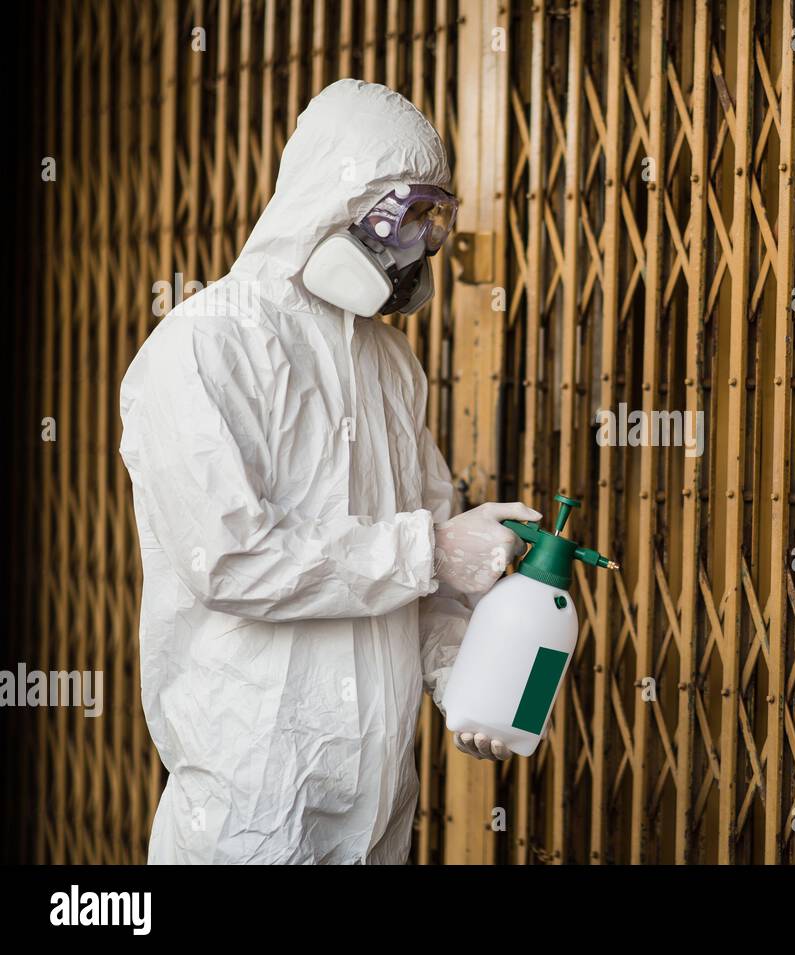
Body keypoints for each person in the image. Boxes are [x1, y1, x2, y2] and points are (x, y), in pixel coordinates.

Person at [119, 79, 539, 864]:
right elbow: (232, 559)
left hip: (378, 808)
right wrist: (429, 551)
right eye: (407, 213)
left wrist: (463, 678)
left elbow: (424, 574)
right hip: (251, 811)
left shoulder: (392, 367)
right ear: (335, 196)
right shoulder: (205, 346)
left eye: (433, 220)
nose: (419, 244)